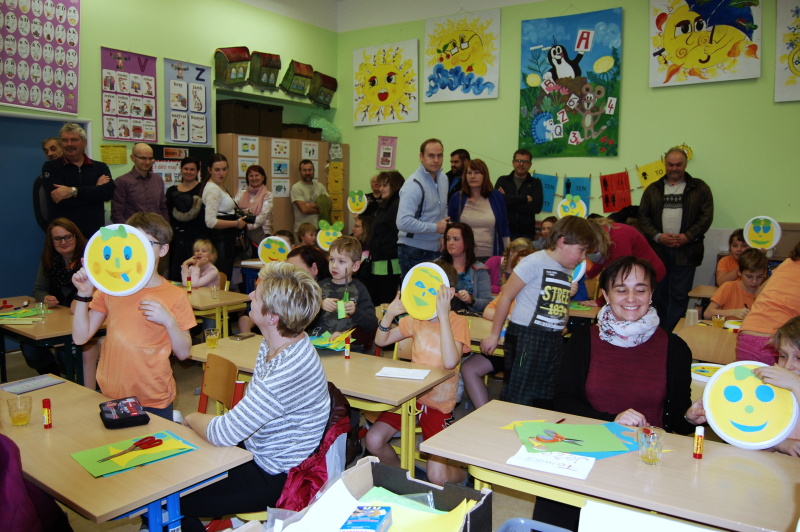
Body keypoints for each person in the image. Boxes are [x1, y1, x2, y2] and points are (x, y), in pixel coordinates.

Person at [547, 256, 706, 531]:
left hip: (647, 461)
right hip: (589, 450)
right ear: (606, 295)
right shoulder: (583, 340)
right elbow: (563, 402)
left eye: (640, 289)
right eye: (621, 290)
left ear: (651, 294)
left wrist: (689, 417)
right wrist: (612, 420)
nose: (631, 298)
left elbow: (677, 422)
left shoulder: (675, 348)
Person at [180, 262, 330, 532]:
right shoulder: (279, 341)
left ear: (272, 317)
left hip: (274, 475)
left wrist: (189, 417)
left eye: (257, 296)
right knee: (179, 470)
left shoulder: (286, 369)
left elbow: (223, 433)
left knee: (170, 496)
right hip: (258, 452)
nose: (250, 295)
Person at [71, 212, 195, 420]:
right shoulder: (112, 289)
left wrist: (168, 321)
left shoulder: (175, 295)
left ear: (163, 249)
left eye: (146, 243)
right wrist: (83, 295)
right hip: (111, 392)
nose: (140, 250)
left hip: (153, 396)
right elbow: (80, 337)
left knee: (156, 441)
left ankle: (175, 418)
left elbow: (183, 353)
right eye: (134, 243)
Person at [480, 216, 595, 408]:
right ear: (563, 242)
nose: (583, 257)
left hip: (553, 338)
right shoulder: (534, 262)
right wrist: (494, 334)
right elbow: (506, 296)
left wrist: (561, 322)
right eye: (581, 250)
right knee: (519, 394)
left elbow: (561, 304)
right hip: (527, 337)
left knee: (545, 394)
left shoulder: (567, 269)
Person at [367, 285, 470, 486]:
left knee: (437, 476)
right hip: (410, 398)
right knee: (373, 440)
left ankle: (464, 476)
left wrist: (443, 316)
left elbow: (450, 362)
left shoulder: (458, 322)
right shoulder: (416, 319)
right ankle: (406, 478)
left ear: (449, 293)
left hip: (439, 403)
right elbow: (381, 341)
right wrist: (389, 314)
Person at [638, 147, 714, 332]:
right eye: (670, 165)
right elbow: (643, 216)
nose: (674, 169)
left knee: (679, 297)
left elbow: (706, 217)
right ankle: (656, 334)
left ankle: (672, 336)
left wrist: (687, 236)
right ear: (665, 164)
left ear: (685, 164)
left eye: (678, 165)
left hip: (687, 252)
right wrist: (658, 236)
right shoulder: (653, 189)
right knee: (657, 296)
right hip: (658, 252)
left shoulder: (700, 188)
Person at [20, 218, 100, 388]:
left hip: (82, 321)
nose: (63, 242)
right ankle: (54, 380)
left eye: (68, 237)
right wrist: (45, 298)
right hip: (56, 322)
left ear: (76, 237)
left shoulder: (90, 260)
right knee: (30, 348)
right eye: (58, 239)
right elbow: (38, 290)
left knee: (68, 355)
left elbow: (98, 295)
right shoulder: (49, 260)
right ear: (51, 241)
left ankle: (73, 382)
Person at [462, 248, 533, 410]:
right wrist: (508, 317)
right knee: (469, 369)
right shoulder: (509, 291)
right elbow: (487, 311)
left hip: (525, 353)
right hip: (501, 346)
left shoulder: (540, 295)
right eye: (519, 268)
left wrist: (506, 316)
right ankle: (484, 413)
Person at [41, 123, 115, 238]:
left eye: (74, 140)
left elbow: (108, 193)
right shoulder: (51, 167)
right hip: (64, 236)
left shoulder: (100, 167)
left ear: (84, 142)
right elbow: (63, 201)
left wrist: (73, 191)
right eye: (65, 140)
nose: (69, 144)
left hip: (93, 235)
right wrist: (95, 190)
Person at [307, 236, 377, 350]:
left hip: (349, 350)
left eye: (341, 261)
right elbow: (302, 321)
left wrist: (355, 311)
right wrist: (319, 305)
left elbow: (371, 325)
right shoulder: (319, 287)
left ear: (355, 266)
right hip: (319, 347)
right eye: (332, 259)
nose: (334, 265)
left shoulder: (360, 289)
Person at [737, 239, 800, 364]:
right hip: (777, 341)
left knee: (746, 377)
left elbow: (758, 293)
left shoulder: (788, 263)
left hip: (747, 334)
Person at [396, 139, 450, 278]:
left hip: (435, 248)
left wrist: (442, 235)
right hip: (413, 249)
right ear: (421, 156)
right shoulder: (413, 184)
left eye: (440, 155)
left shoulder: (444, 179)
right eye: (431, 155)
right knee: (413, 292)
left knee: (435, 291)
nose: (436, 160)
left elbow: (443, 208)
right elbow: (402, 222)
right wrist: (435, 228)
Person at [584, 216, 666, 305]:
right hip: (637, 275)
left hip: (651, 276)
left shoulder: (618, 239)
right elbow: (603, 260)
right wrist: (586, 275)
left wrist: (600, 301)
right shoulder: (604, 235)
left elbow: (619, 275)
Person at [753, 316, 800, 457]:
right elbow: (751, 438)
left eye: (799, 358)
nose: (787, 366)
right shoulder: (773, 389)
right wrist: (779, 443)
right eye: (783, 356)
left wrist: (796, 385)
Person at [447, 158, 510, 261]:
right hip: (464, 256)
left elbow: (504, 227)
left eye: (477, 173)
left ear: (484, 176)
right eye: (469, 173)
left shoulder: (496, 196)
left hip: (491, 256)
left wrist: (507, 254)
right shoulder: (457, 198)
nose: (472, 176)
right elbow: (450, 228)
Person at [362, 170, 404, 305]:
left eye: (385, 185)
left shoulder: (396, 205)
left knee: (385, 301)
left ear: (395, 186)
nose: (380, 189)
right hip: (381, 261)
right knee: (379, 300)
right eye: (380, 185)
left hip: (389, 264)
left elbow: (398, 234)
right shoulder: (386, 204)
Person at [202, 153, 246, 279]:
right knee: (222, 276)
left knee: (225, 276)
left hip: (226, 239)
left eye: (224, 169)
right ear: (209, 170)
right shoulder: (213, 189)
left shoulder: (218, 186)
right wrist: (236, 223)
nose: (221, 173)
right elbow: (210, 222)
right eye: (217, 170)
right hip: (220, 241)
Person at [166, 157, 207, 281]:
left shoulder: (203, 189)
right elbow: (168, 214)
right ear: (181, 169)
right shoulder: (171, 191)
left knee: (195, 274)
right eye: (186, 169)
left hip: (197, 239)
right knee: (176, 273)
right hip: (177, 239)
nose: (188, 172)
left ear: (198, 171)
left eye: (192, 169)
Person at [111, 143, 169, 224]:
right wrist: (128, 230)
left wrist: (166, 227)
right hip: (133, 228)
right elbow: (116, 213)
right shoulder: (122, 181)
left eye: (150, 158)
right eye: (143, 158)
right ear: (133, 158)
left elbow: (163, 208)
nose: (147, 162)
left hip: (156, 228)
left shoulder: (158, 180)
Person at [440, 223, 491, 314]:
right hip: (439, 315)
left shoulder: (480, 270)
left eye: (456, 239)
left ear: (467, 242)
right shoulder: (437, 266)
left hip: (469, 317)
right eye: (448, 239)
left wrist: (471, 300)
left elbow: (487, 303)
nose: (450, 243)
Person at [494, 148, 543, 241]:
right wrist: (524, 199)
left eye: (525, 161)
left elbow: (536, 208)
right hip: (504, 230)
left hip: (526, 233)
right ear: (513, 162)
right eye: (518, 160)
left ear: (530, 164)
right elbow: (497, 202)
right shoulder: (503, 180)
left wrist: (508, 200)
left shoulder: (535, 183)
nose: (521, 164)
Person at [704, 248, 767, 320]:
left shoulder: (765, 292)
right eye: (749, 277)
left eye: (759, 277)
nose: (754, 281)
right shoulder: (728, 287)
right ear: (739, 272)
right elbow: (707, 314)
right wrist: (733, 312)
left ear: (765, 273)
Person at [235, 165, 273, 250]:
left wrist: (245, 226)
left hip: (260, 233)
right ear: (247, 178)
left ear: (263, 177)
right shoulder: (241, 193)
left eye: (257, 175)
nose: (254, 178)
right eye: (251, 176)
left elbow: (262, 216)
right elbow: (234, 210)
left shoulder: (268, 195)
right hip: (242, 234)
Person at [291, 159, 327, 232]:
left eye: (310, 170)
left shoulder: (320, 186)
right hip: (302, 231)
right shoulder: (296, 187)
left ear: (314, 171)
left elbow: (329, 204)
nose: (307, 173)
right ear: (300, 172)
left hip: (320, 230)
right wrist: (322, 208)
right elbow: (304, 210)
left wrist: (312, 205)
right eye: (304, 170)